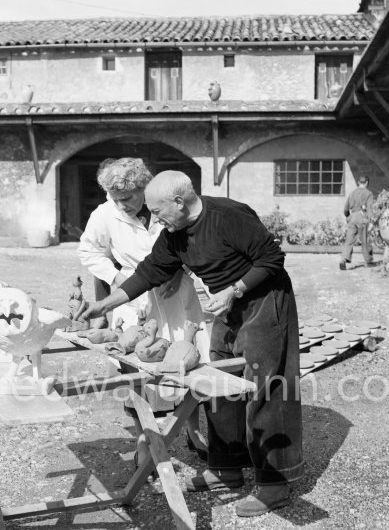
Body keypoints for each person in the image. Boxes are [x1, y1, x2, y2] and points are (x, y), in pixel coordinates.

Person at [81, 170, 304, 518]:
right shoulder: (174, 234)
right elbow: (148, 272)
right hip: (226, 305)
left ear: (180, 202)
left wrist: (235, 290)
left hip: (263, 301)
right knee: (216, 383)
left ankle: (274, 484)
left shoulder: (229, 216)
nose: (153, 218)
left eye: (158, 211)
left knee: (266, 386)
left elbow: (272, 259)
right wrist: (104, 305)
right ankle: (226, 467)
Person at [77, 158, 209, 462]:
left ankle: (193, 429)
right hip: (133, 299)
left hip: (177, 296)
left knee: (187, 359)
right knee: (135, 370)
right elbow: (87, 250)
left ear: (144, 188)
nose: (121, 205)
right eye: (115, 198)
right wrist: (117, 278)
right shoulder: (105, 214)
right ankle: (143, 437)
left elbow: (193, 240)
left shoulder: (163, 205)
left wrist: (182, 271)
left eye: (127, 198)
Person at [340, 175, 374, 270]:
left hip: (352, 216)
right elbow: (370, 208)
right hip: (362, 217)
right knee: (365, 239)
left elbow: (346, 209)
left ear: (358, 183)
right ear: (366, 183)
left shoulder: (352, 193)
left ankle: (343, 259)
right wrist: (370, 221)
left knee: (349, 240)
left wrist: (348, 217)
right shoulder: (368, 194)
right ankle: (368, 261)